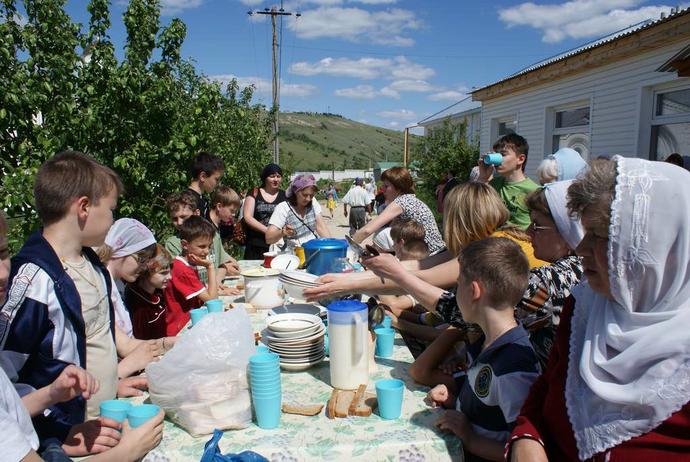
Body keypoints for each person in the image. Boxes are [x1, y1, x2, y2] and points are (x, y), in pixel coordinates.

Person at [508, 157, 690, 461]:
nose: (581, 248)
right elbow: (547, 387)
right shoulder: (585, 306)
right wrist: (527, 438)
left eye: (601, 236)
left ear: (662, 249)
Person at [0, 151, 138, 455]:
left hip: (101, 419)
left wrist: (113, 385)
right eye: (111, 210)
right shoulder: (34, 279)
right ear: (84, 207)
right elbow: (7, 382)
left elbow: (95, 342)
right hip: (62, 437)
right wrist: (56, 432)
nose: (113, 219)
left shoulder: (91, 264)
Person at [427, 237, 540, 462]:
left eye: (458, 284)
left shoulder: (513, 366)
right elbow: (487, 399)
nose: (455, 291)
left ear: (473, 291)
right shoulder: (484, 343)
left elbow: (524, 451)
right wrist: (456, 399)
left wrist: (471, 439)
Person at [352, 167, 446, 255]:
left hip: (430, 255)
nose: (382, 189)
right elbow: (393, 229)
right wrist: (370, 249)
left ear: (399, 188)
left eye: (386, 186)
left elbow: (367, 230)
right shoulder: (409, 199)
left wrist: (350, 245)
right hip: (435, 252)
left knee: (382, 233)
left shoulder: (402, 201)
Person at [164, 191, 239, 288]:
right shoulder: (173, 244)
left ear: (196, 213)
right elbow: (181, 278)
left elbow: (222, 265)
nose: (179, 222)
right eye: (174, 219)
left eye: (183, 217)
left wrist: (216, 282)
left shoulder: (213, 235)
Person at [99, 218, 157, 338]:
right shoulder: (102, 287)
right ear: (122, 250)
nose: (145, 267)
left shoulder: (117, 284)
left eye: (147, 261)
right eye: (142, 259)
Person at [162, 215, 218, 336]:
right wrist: (210, 267)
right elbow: (212, 301)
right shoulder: (182, 269)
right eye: (202, 246)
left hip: (190, 324)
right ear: (185, 245)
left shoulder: (188, 264)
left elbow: (200, 291)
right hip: (181, 329)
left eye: (209, 246)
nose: (207, 251)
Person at [477, 134, 539, 229]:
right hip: (494, 241)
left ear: (520, 159)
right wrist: (482, 178)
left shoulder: (534, 191)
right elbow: (474, 209)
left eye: (503, 154)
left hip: (519, 242)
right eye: (496, 154)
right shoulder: (493, 184)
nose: (498, 159)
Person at [265, 174, 331, 248]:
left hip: (313, 249)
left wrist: (332, 246)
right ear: (295, 192)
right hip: (293, 253)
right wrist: (283, 232)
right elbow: (268, 238)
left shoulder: (313, 202)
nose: (308, 199)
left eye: (311, 195)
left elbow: (321, 227)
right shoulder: (283, 208)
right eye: (304, 195)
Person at [124, 245, 173, 340]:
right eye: (163, 273)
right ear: (145, 272)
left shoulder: (157, 292)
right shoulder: (138, 305)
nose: (170, 277)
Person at [242, 163, 286, 260]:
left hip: (278, 246)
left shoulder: (285, 195)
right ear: (265, 177)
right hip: (255, 245)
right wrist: (268, 231)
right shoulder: (254, 193)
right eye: (272, 176)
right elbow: (247, 217)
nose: (276, 179)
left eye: (278, 176)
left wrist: (276, 234)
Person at [187, 151, 224, 219]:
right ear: (203, 176)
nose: (219, 184)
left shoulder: (201, 199)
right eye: (216, 179)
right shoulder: (188, 202)